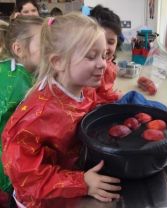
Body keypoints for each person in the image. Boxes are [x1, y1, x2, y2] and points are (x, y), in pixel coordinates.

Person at [2, 12, 121, 208]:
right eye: (91, 56)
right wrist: (80, 182)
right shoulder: (37, 114)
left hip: (71, 178)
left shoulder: (84, 86)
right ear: (57, 62)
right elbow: (24, 174)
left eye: (103, 55)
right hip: (40, 201)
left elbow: (94, 103)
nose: (102, 64)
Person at [0, 15, 43, 198]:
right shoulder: (13, 80)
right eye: (45, 45)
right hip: (9, 169)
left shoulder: (36, 73)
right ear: (18, 49)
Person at [89, 5, 124, 101]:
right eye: (99, 41)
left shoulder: (110, 64)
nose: (104, 47)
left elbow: (105, 91)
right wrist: (116, 96)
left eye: (111, 42)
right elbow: (88, 101)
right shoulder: (86, 69)